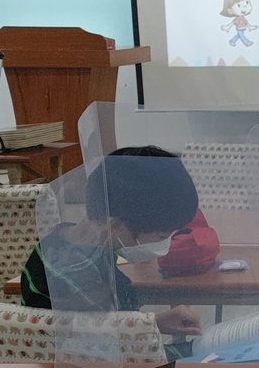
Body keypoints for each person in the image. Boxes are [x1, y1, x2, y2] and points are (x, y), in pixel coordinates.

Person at [20, 146, 203, 340]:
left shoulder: (64, 241)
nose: (166, 244)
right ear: (115, 225)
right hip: (84, 358)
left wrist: (154, 322)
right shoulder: (80, 276)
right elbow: (112, 349)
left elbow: (100, 326)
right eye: (160, 236)